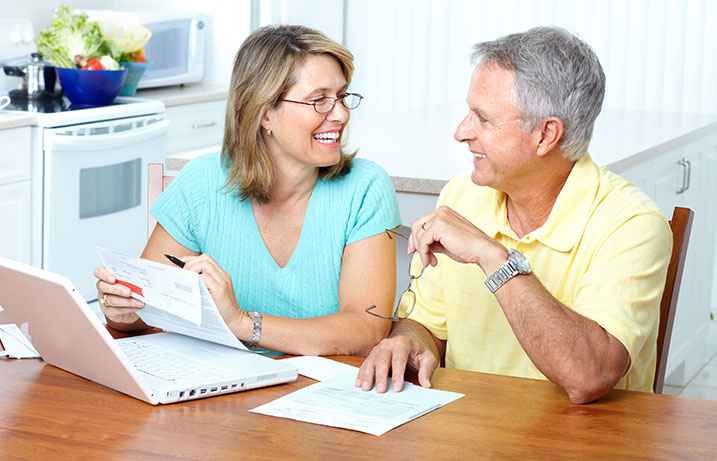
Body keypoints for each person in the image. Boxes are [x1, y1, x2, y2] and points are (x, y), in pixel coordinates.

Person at [356, 26, 672, 404]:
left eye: (483, 119)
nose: (461, 132)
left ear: (545, 135)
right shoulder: (462, 194)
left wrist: (492, 257)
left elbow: (589, 375)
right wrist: (409, 341)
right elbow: (425, 322)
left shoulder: (631, 224)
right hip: (469, 429)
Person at [94, 25, 401, 356]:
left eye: (341, 97)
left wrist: (242, 323)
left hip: (322, 391)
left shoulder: (366, 188)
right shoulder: (203, 182)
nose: (340, 114)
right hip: (218, 390)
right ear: (265, 113)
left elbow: (366, 331)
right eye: (319, 101)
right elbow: (148, 309)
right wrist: (121, 311)